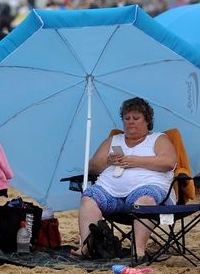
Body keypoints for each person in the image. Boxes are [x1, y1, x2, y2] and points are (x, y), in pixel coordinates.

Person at [71, 97, 177, 261]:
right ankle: (86, 247)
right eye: (127, 118)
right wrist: (108, 161)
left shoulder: (158, 139)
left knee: (145, 199)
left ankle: (138, 250)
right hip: (111, 193)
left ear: (147, 120)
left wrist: (134, 160)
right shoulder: (114, 140)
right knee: (89, 197)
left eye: (136, 118)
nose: (130, 122)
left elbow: (169, 162)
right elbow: (92, 167)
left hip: (147, 190)